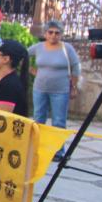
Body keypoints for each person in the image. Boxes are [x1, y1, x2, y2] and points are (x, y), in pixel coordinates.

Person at [28, 21, 80, 160]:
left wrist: (74, 87)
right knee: (38, 119)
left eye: (57, 33)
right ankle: (36, 148)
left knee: (58, 121)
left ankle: (58, 152)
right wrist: (30, 70)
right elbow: (23, 54)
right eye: (50, 32)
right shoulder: (38, 47)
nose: (53, 35)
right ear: (45, 34)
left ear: (61, 34)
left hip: (60, 91)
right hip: (39, 89)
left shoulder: (67, 48)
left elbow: (75, 68)